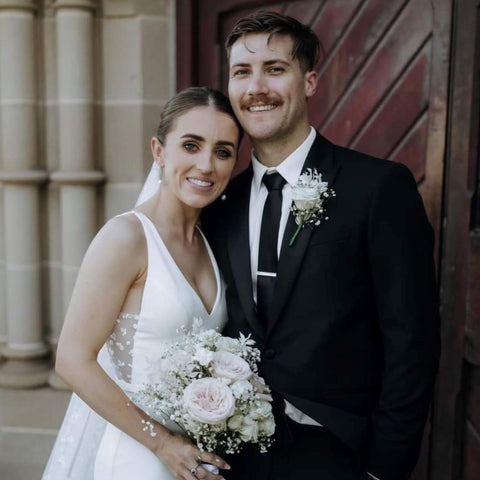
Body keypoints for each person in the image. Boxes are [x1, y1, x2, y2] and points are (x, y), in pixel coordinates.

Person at [202, 11, 441, 480]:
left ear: (309, 81)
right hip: (234, 454)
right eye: (241, 72)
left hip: (338, 453)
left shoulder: (377, 188)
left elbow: (412, 339)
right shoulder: (219, 200)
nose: (256, 87)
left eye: (275, 69)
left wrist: (384, 468)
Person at [42, 87, 242, 480]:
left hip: (193, 457)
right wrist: (161, 443)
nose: (206, 165)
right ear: (159, 151)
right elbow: (72, 359)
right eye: (191, 145)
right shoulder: (126, 237)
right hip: (137, 456)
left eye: (223, 152)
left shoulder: (211, 243)